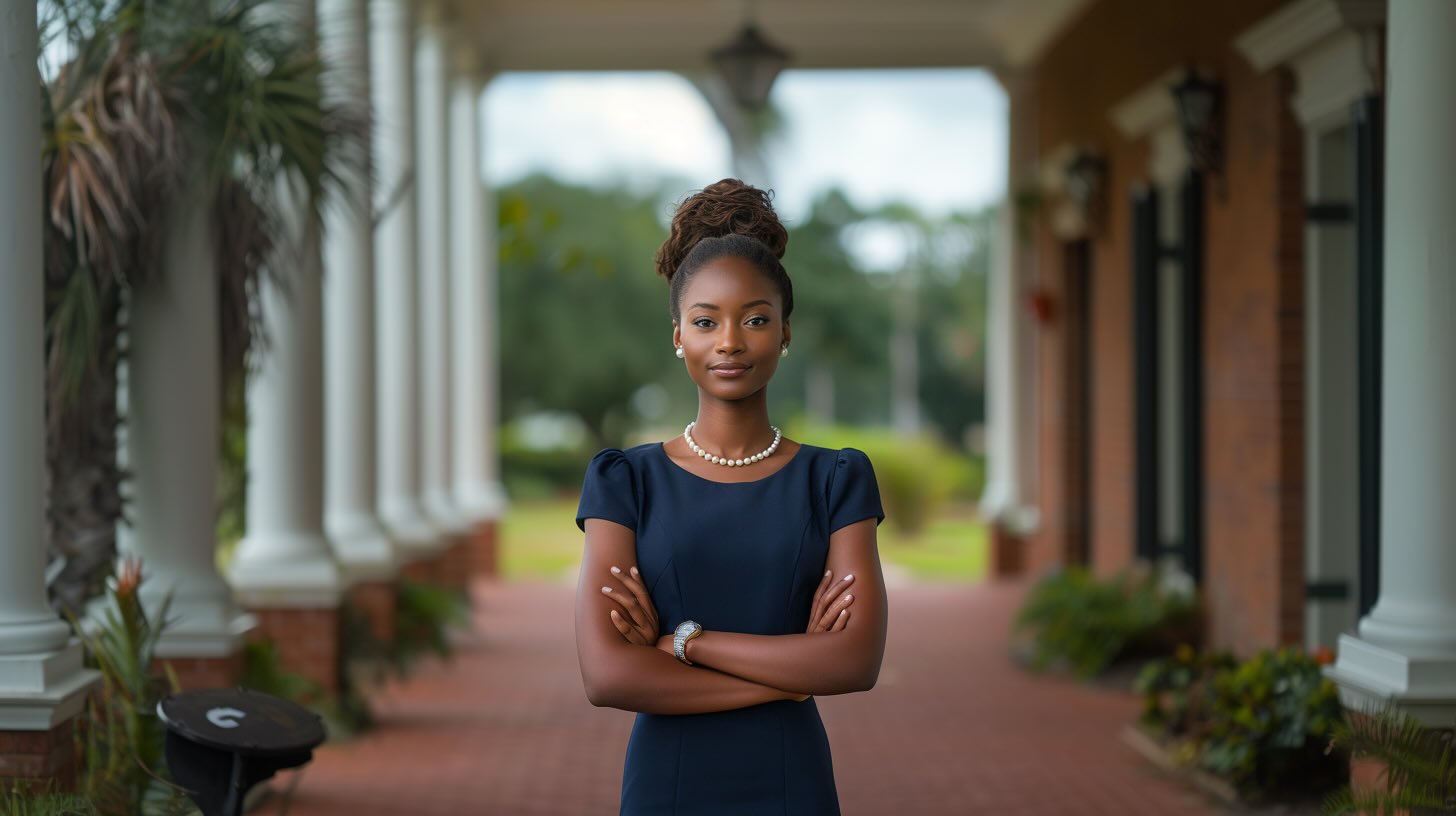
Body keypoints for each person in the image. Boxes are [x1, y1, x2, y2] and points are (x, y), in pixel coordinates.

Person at [574, 179, 889, 815]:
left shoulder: (836, 480)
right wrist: (792, 680)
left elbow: (855, 661)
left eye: (755, 319)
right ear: (677, 335)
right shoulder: (624, 482)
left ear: (785, 331)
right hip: (668, 784)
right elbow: (608, 676)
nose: (730, 343)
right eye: (705, 321)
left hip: (789, 783)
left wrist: (685, 643)